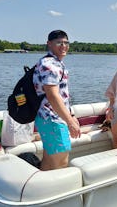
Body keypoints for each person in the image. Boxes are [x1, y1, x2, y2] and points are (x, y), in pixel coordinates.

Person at [33, 30, 81, 171]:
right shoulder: (50, 64)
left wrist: (70, 115)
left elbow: (62, 95)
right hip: (51, 118)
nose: (64, 46)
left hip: (50, 118)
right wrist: (70, 122)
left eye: (66, 42)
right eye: (59, 42)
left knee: (50, 159)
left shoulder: (55, 63)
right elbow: (52, 95)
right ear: (49, 44)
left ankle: (41, 189)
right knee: (60, 162)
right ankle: (54, 191)